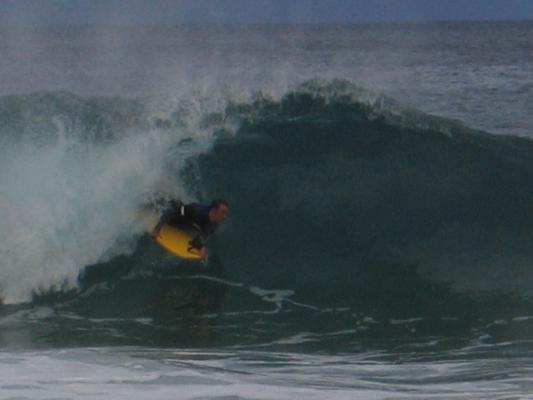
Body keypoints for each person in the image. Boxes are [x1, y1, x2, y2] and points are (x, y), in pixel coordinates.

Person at [152, 198, 229, 260]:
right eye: (223, 212)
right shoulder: (196, 210)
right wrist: (157, 228)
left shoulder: (214, 224)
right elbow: (172, 211)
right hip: (173, 211)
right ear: (214, 210)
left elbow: (201, 237)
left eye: (226, 213)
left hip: (182, 222)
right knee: (158, 205)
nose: (224, 216)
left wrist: (201, 247)